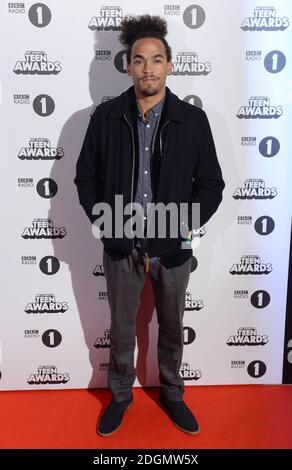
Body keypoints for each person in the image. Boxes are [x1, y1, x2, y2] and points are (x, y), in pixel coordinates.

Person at [74, 14, 225, 437]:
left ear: (169, 65)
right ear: (128, 65)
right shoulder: (105, 118)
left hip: (172, 246)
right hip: (122, 243)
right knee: (121, 329)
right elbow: (86, 178)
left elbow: (211, 184)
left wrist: (182, 225)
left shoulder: (192, 121)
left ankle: (173, 394)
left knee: (173, 327)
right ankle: (120, 396)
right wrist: (106, 222)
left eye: (157, 60)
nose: (148, 68)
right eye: (140, 60)